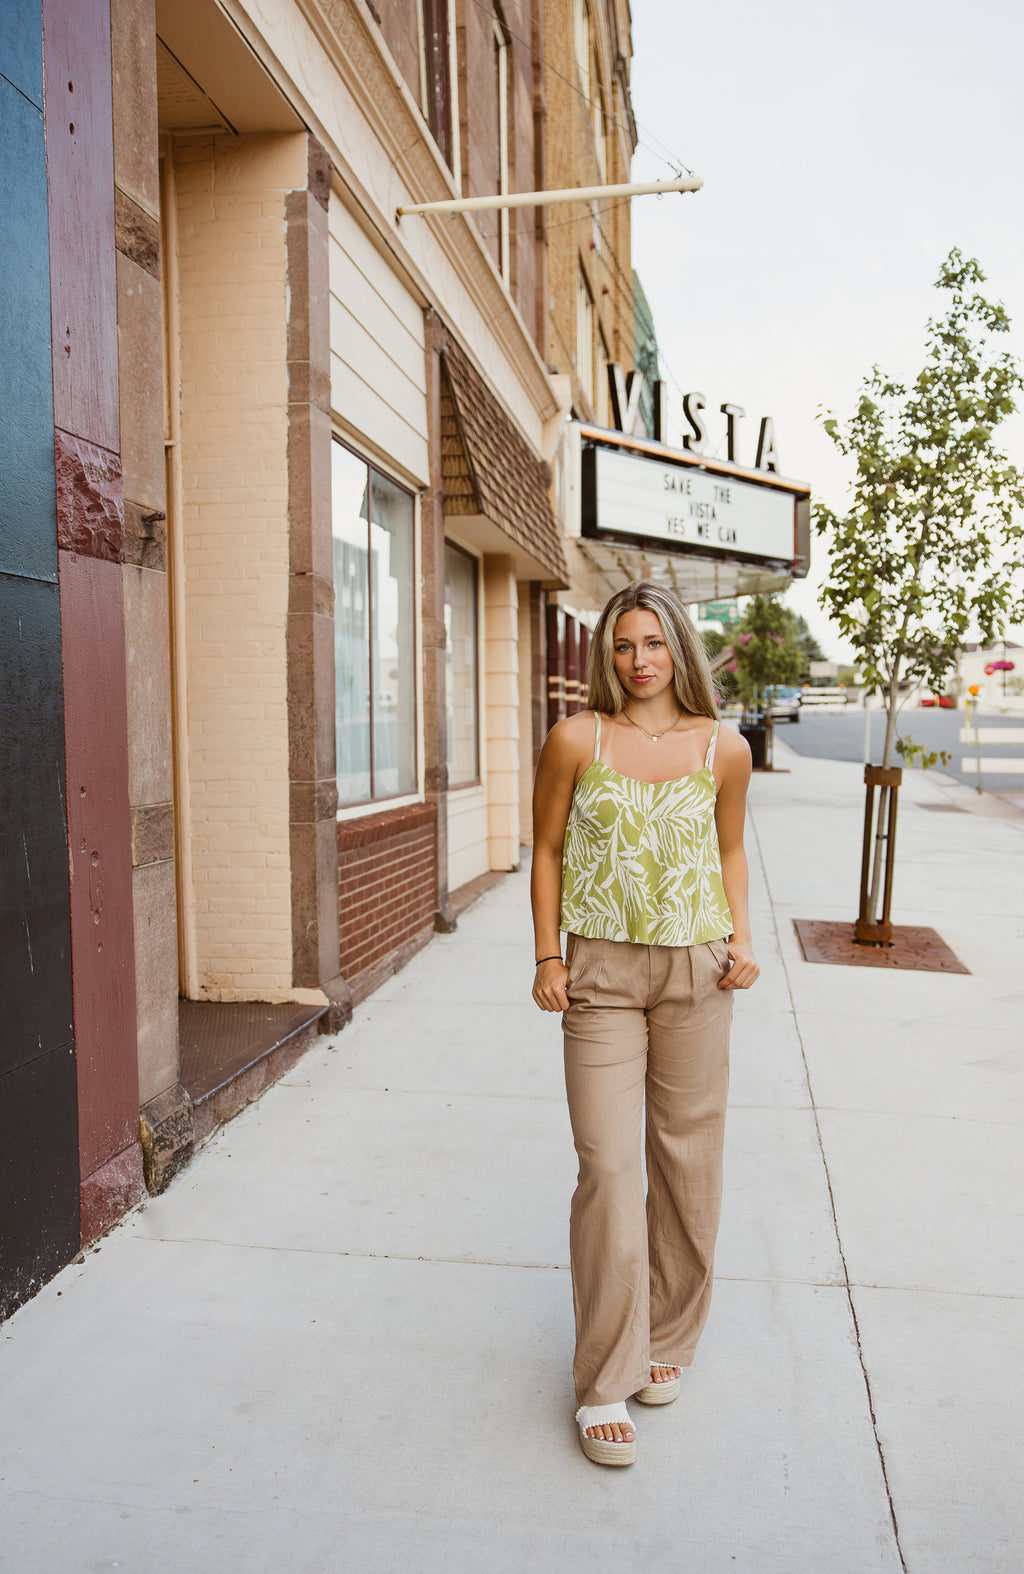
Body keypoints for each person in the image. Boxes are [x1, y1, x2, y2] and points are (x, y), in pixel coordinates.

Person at [530, 580, 759, 1467]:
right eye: (624, 645)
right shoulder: (575, 740)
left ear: (679, 651)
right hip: (602, 972)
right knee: (610, 1166)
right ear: (606, 654)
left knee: (688, 1158)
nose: (639, 660)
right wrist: (549, 957)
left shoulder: (723, 749)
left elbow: (730, 849)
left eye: (654, 643)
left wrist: (741, 939)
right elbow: (546, 848)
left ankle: (669, 1333)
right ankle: (601, 1378)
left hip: (697, 969)